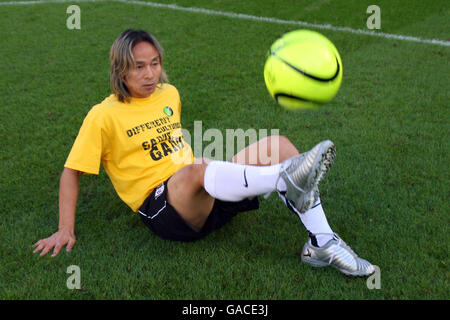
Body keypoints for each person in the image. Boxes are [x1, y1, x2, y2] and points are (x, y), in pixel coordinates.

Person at [33, 29, 374, 277]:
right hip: (166, 210)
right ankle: (284, 180)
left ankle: (322, 243)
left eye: (154, 63)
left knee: (279, 146)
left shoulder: (169, 94)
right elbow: (71, 172)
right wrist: (65, 228)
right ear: (120, 69)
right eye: (139, 66)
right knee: (199, 167)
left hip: (206, 191)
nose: (150, 74)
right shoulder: (102, 115)